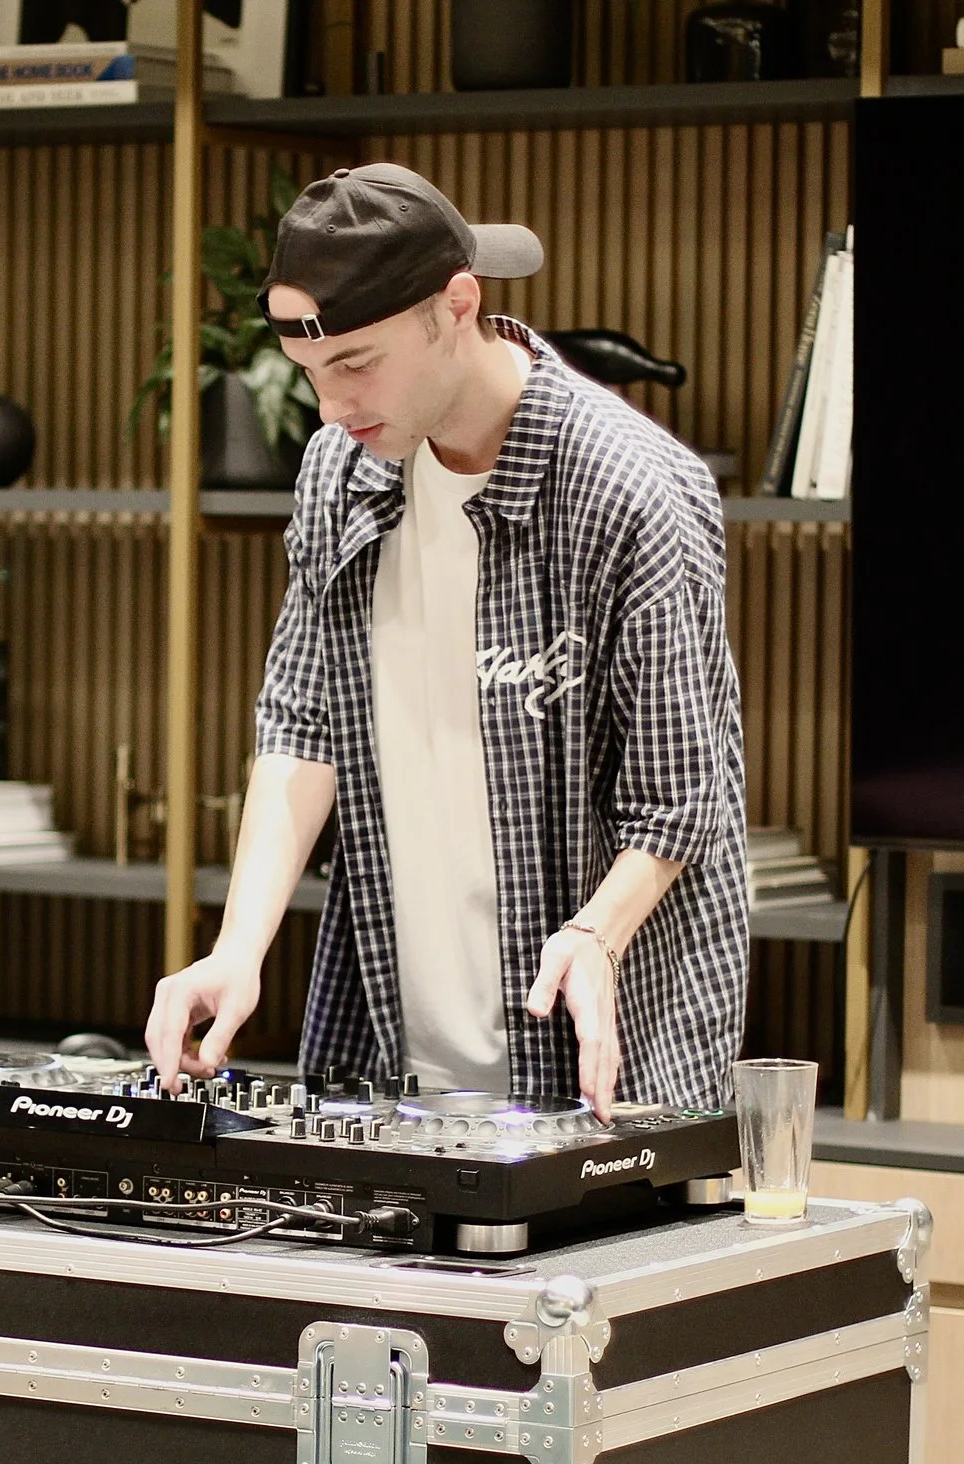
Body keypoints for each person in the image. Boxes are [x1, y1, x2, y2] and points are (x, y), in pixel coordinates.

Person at [144, 163, 747, 1116]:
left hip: (603, 1040)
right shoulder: (339, 470)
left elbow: (677, 801)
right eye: (311, 373)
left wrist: (594, 934)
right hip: (394, 1035)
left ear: (455, 304)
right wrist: (238, 948)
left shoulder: (629, 488)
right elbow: (301, 722)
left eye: (357, 364)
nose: (333, 406)